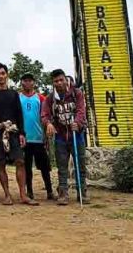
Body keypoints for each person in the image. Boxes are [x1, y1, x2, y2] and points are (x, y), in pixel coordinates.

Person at [0, 63, 39, 206]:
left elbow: (19, 115)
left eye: (3, 73)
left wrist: (22, 133)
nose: (1, 76)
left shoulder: (14, 94)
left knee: (20, 161)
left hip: (13, 132)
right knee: (1, 163)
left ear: (6, 74)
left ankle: (23, 194)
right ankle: (7, 195)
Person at [41, 69, 88, 206]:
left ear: (65, 79)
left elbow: (81, 110)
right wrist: (48, 123)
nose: (59, 83)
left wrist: (77, 123)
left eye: (61, 80)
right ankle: (63, 193)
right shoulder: (50, 98)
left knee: (80, 164)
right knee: (62, 167)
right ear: (53, 82)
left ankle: (82, 192)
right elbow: (44, 114)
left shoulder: (76, 93)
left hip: (77, 135)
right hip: (61, 137)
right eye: (56, 81)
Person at [19, 73, 55, 201]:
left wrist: (45, 135)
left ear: (34, 82)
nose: (27, 83)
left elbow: (45, 117)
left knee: (44, 166)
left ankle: (49, 191)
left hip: (39, 138)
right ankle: (29, 191)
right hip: (24, 139)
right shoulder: (18, 98)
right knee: (26, 167)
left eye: (30, 80)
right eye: (25, 80)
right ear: (21, 82)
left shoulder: (40, 98)